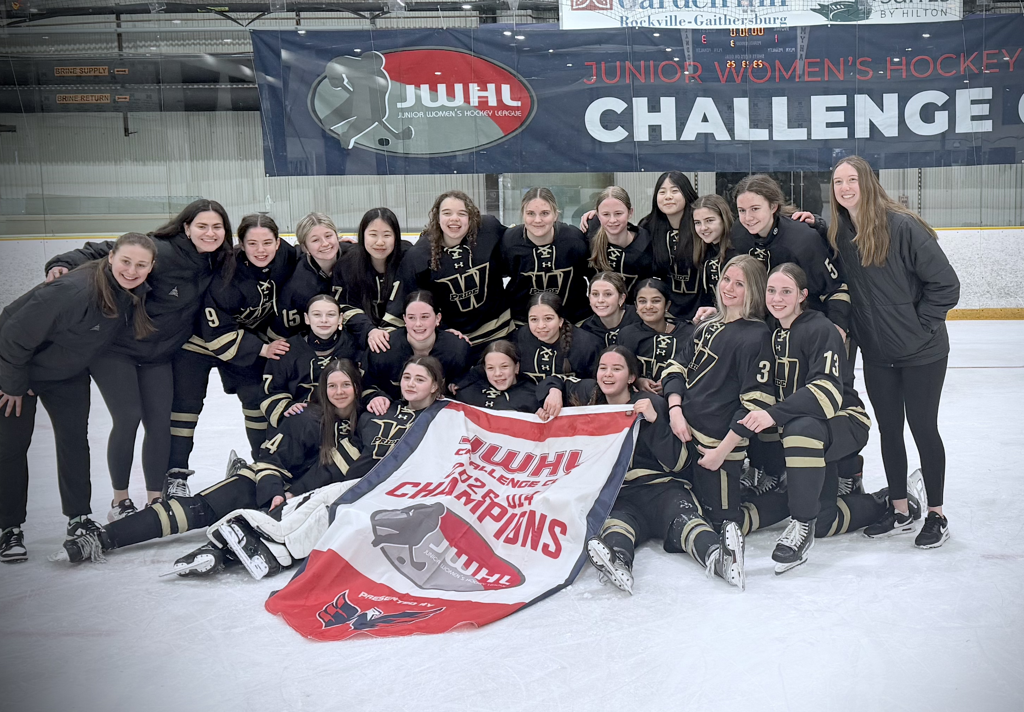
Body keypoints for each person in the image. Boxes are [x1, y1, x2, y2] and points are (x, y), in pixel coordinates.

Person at [53, 359, 365, 567]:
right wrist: (274, 494)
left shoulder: (367, 425)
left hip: (301, 499)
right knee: (191, 511)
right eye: (332, 386)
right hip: (264, 486)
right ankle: (102, 538)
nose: (339, 392)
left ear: (357, 387)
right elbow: (270, 460)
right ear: (322, 389)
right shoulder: (307, 419)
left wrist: (294, 496)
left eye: (346, 385)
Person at [168, 356, 449, 580]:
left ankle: (254, 547)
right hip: (358, 484)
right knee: (315, 502)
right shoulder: (381, 412)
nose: (410, 384)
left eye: (420, 379)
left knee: (323, 515)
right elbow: (343, 461)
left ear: (435, 385)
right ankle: (223, 546)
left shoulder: (447, 417)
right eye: (407, 377)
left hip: (402, 492)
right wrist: (297, 492)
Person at [44, 199, 233, 512]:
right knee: (128, 417)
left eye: (217, 227)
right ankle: (120, 500)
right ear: (186, 228)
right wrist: (62, 262)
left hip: (159, 354)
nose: (210, 233)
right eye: (202, 226)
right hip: (117, 349)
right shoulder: (162, 250)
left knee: (159, 423)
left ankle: (155, 499)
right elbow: (109, 250)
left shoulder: (219, 261)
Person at [828, 155, 960, 548]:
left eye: (852, 180)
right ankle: (900, 509)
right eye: (838, 182)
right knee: (888, 430)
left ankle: (936, 514)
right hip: (878, 353)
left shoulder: (902, 226)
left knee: (923, 428)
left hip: (922, 352)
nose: (845, 188)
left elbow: (946, 285)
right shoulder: (841, 234)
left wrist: (919, 328)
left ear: (868, 183)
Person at [0, 233, 156, 562]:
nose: (132, 270)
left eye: (141, 265)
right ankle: (9, 527)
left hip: (66, 372)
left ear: (152, 266)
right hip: (17, 370)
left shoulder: (128, 290)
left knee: (73, 441)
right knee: (12, 446)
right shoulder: (73, 289)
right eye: (126, 261)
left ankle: (79, 517)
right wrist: (14, 384)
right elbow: (12, 333)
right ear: (111, 258)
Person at [545, 347, 744, 592]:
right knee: (617, 526)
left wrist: (655, 422)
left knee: (686, 520)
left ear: (631, 377)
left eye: (617, 369)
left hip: (662, 490)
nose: (608, 374)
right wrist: (553, 393)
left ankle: (719, 557)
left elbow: (679, 463)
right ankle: (617, 561)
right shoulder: (590, 396)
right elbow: (555, 381)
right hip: (620, 494)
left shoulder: (653, 403)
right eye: (603, 368)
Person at [737, 263, 879, 574]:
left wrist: (773, 415)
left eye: (786, 292)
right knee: (825, 521)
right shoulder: (771, 331)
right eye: (772, 291)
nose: (777, 298)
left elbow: (825, 394)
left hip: (844, 421)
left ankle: (802, 525)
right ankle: (879, 500)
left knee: (799, 429)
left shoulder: (820, 328)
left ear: (802, 295)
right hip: (806, 430)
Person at [168, 213, 298, 476]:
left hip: (243, 338)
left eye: (267, 242)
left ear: (278, 242)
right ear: (241, 243)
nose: (260, 250)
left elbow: (309, 253)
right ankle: (176, 475)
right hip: (199, 342)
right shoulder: (227, 275)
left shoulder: (285, 255)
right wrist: (262, 348)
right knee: (186, 408)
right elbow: (218, 332)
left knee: (256, 398)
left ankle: (264, 467)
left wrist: (344, 247)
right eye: (252, 243)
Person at [661, 256, 775, 531]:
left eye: (740, 284)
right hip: (683, 433)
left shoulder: (757, 336)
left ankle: (799, 500)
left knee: (723, 523)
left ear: (755, 290)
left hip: (716, 445)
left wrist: (721, 452)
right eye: (726, 279)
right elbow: (676, 366)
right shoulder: (707, 323)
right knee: (688, 510)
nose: (729, 288)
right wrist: (675, 410)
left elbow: (754, 406)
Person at [381, 191, 512, 354]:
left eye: (462, 213)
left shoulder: (489, 230)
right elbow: (403, 303)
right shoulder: (418, 256)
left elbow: (518, 246)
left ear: (471, 217)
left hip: (500, 332)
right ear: (437, 217)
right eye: (447, 213)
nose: (454, 218)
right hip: (456, 340)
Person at [730, 174, 851, 335]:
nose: (748, 218)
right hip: (763, 326)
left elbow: (836, 288)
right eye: (742, 210)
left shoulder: (803, 241)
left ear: (773, 206)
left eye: (755, 209)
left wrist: (838, 327)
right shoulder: (739, 233)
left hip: (807, 327)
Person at [261, 295, 360, 430]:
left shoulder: (353, 346)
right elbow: (271, 391)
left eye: (331, 315)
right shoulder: (286, 350)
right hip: (302, 424)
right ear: (307, 318)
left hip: (347, 420)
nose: (324, 320)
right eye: (317, 315)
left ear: (340, 318)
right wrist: (288, 407)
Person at [363, 290, 469, 410]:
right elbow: (366, 386)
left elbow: (466, 385)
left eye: (424, 317)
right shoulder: (384, 348)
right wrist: (375, 397)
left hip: (440, 414)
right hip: (393, 413)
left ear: (437, 318)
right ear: (404, 319)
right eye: (411, 317)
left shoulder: (456, 349)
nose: (418, 324)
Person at [274, 212, 370, 343]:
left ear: (337, 236)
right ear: (305, 247)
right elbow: (286, 333)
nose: (325, 243)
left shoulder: (356, 256)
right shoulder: (297, 286)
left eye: (328, 236)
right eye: (315, 240)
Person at [499, 188, 590, 324]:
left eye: (545, 213)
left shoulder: (574, 240)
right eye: (530, 213)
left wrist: (597, 215)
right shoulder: (509, 241)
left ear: (555, 215)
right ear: (522, 215)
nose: (538, 220)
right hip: (523, 322)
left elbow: (593, 274)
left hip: (573, 321)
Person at [639, 171, 703, 320]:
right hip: (664, 311)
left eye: (675, 191)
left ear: (687, 194)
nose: (668, 197)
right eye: (662, 192)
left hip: (702, 309)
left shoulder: (701, 225)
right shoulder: (648, 226)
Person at [333, 207, 410, 330]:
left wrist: (389, 331)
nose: (380, 242)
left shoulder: (407, 259)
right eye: (373, 235)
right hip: (361, 333)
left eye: (387, 235)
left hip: (399, 331)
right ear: (362, 235)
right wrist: (369, 331)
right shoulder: (347, 264)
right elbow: (344, 305)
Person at [616, 277, 694, 394]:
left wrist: (671, 383)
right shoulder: (627, 334)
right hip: (639, 398)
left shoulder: (688, 333)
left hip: (681, 396)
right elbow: (621, 368)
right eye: (642, 301)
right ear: (636, 306)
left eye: (656, 301)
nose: (648, 306)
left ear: (667, 305)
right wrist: (637, 381)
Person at [514, 292, 602, 386]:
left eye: (548, 318)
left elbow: (594, 385)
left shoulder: (588, 344)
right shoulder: (518, 339)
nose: (541, 326)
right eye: (534, 319)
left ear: (560, 320)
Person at [584, 186, 653, 295]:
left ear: (630, 212)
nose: (612, 220)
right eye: (606, 214)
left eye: (618, 213)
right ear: (597, 214)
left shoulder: (645, 243)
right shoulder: (590, 232)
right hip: (599, 303)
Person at [454, 340, 541, 413]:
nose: (497, 373)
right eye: (490, 368)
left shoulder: (534, 396)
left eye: (504, 366)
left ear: (516, 367)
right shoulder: (469, 391)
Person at [691, 194, 739, 308]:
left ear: (723, 219)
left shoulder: (737, 251)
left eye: (709, 221)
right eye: (697, 223)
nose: (703, 228)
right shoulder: (703, 250)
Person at [579, 271, 641, 347]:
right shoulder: (587, 329)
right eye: (595, 294)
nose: (600, 300)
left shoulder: (640, 319)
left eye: (608, 294)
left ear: (621, 298)